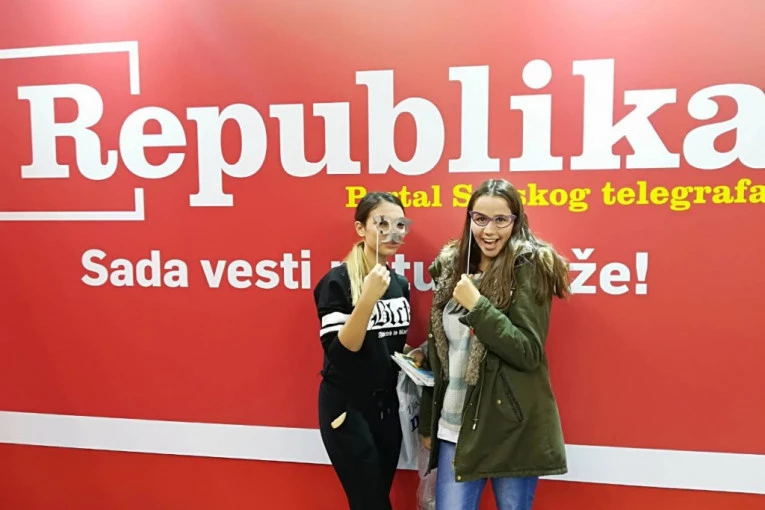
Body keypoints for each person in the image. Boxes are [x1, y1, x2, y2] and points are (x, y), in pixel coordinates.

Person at [419, 178, 570, 510]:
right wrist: (429, 422)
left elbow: (527, 351)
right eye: (480, 219)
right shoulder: (452, 267)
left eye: (501, 220)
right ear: (470, 218)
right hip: (455, 426)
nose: (489, 230)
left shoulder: (528, 265)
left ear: (516, 220)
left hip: (509, 429)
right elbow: (444, 353)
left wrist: (478, 306)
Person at [312, 191, 422, 510]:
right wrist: (367, 298)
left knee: (375, 498)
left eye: (400, 225)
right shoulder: (337, 282)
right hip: (348, 409)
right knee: (370, 503)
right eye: (382, 224)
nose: (393, 232)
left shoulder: (399, 284)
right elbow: (341, 352)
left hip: (387, 408)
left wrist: (414, 353)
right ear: (360, 228)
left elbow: (385, 340)